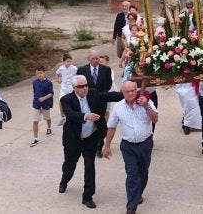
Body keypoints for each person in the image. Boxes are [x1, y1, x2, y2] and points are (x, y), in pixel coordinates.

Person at [58, 75, 123, 209]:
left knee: (90, 167)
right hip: (73, 139)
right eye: (81, 87)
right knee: (70, 164)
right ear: (74, 88)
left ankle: (88, 197)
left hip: (90, 139)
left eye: (86, 85)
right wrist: (86, 116)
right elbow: (70, 114)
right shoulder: (67, 99)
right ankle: (64, 180)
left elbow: (109, 96)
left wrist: (128, 94)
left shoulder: (93, 93)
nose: (85, 88)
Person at [103, 81, 158, 214]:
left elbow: (155, 119)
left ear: (136, 90)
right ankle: (131, 206)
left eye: (133, 90)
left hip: (145, 144)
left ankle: (138, 194)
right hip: (128, 146)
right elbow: (111, 127)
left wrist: (146, 106)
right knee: (132, 175)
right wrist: (107, 145)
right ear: (123, 93)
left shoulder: (146, 102)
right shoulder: (119, 107)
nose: (130, 93)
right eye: (127, 91)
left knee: (143, 172)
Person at [77, 50, 114, 158]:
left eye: (97, 58)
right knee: (88, 122)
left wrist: (100, 95)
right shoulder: (82, 70)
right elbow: (78, 85)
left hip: (101, 102)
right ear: (88, 59)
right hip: (87, 101)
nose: (95, 60)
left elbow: (108, 84)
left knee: (100, 124)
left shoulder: (106, 70)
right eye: (93, 58)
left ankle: (99, 146)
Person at [30, 65, 54, 147]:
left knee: (47, 118)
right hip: (36, 104)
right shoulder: (34, 82)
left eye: (41, 73)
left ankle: (49, 128)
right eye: (37, 73)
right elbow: (35, 91)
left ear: (44, 73)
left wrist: (44, 98)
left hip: (45, 104)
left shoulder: (49, 83)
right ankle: (35, 138)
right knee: (35, 121)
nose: (39, 74)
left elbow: (51, 93)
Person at [56, 53, 78, 126]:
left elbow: (78, 74)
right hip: (64, 88)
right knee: (61, 102)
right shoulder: (61, 68)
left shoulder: (74, 68)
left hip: (72, 88)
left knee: (73, 102)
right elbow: (57, 73)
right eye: (67, 61)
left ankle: (74, 116)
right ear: (63, 61)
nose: (69, 63)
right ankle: (63, 117)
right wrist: (58, 79)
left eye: (70, 61)